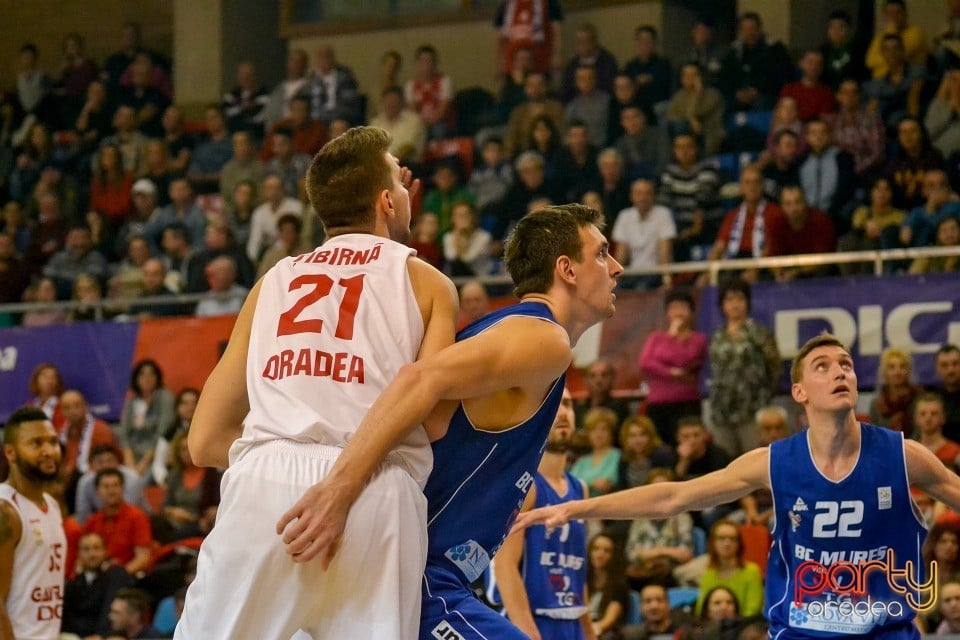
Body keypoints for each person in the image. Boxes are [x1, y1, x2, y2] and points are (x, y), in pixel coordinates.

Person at [273, 203, 621, 640]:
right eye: (603, 253)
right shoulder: (542, 337)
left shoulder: (519, 339)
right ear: (566, 269)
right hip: (419, 576)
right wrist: (338, 489)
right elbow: (418, 378)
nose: (617, 267)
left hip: (427, 575)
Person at [175, 126, 458, 639]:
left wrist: (279, 460)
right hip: (376, 485)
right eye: (400, 178)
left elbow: (202, 440)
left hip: (266, 482)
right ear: (386, 203)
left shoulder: (273, 281)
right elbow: (434, 421)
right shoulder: (428, 283)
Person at [517, 332, 960, 638]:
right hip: (802, 633)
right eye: (822, 366)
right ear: (800, 392)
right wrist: (577, 509)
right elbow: (675, 495)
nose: (839, 371)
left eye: (845, 364)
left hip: (887, 633)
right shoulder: (775, 462)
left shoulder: (903, 456)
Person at [493, 387, 596, 640]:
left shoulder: (579, 488)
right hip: (533, 621)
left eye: (569, 405)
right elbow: (505, 568)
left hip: (571, 619)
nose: (563, 413)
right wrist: (530, 634)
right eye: (555, 404)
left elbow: (577, 570)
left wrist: (589, 632)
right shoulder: (525, 485)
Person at [0, 407, 65, 640]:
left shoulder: (51, 504)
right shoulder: (6, 510)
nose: (48, 451)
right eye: (36, 443)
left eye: (53, 441)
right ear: (10, 452)